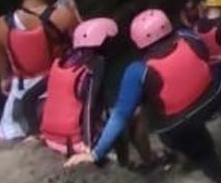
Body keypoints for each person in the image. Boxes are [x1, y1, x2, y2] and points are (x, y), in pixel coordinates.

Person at [71, 9, 221, 183]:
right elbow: (204, 55)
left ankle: (191, 163)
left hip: (177, 124)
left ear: (138, 41)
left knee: (149, 112)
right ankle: (205, 159)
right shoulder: (189, 37)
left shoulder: (137, 70)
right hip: (213, 97)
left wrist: (95, 153)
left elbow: (120, 116)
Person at [0, 0, 79, 141]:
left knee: (1, 139)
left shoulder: (0, 25)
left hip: (22, 87)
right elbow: (82, 41)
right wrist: (72, 8)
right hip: (56, 81)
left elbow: (0, 62)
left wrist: (4, 79)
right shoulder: (61, 16)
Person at [39, 17, 146, 162]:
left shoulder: (62, 61)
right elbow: (90, 105)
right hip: (73, 141)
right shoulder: (96, 64)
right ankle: (130, 164)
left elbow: (31, 97)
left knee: (110, 120)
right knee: (125, 121)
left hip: (51, 137)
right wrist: (88, 145)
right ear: (103, 42)